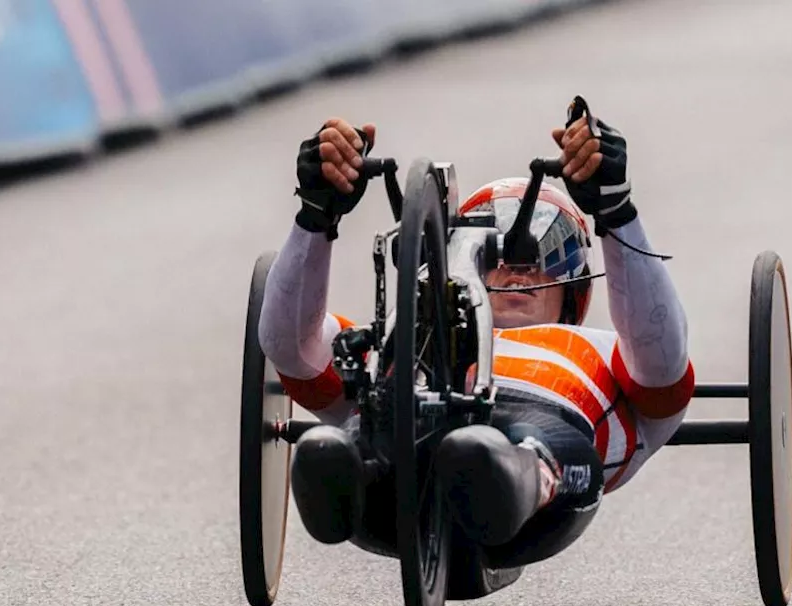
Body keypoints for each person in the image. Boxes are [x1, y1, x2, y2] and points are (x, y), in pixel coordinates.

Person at [259, 98, 693, 563]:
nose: (515, 271)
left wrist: (615, 211)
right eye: (491, 256)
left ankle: (507, 475)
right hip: (398, 434)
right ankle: (344, 470)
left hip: (542, 443)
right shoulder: (399, 338)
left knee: (521, 444)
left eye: (548, 253)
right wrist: (316, 216)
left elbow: (663, 368)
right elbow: (290, 346)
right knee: (360, 434)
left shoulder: (608, 350)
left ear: (574, 291)